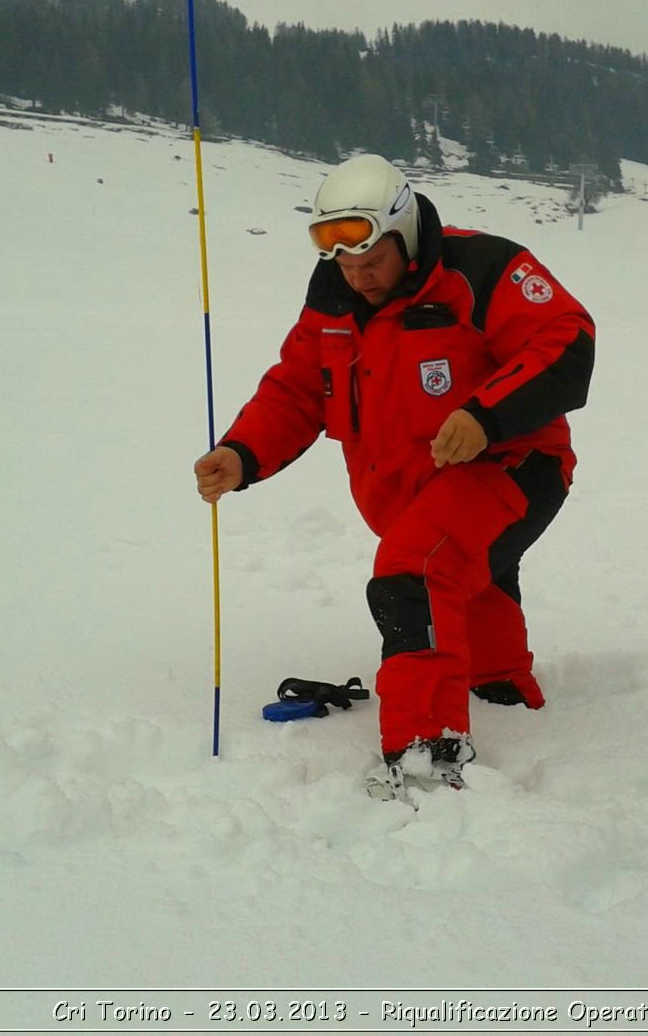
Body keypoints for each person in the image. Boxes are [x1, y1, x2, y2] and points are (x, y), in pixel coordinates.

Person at [192, 153, 595, 798]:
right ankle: (501, 695)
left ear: (404, 236)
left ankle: (425, 751)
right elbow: (297, 393)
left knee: (416, 573)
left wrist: (485, 415)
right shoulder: (333, 304)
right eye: (345, 266)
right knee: (465, 584)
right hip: (413, 493)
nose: (360, 278)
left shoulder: (482, 270)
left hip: (513, 465)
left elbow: (566, 341)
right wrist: (241, 454)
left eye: (372, 261)